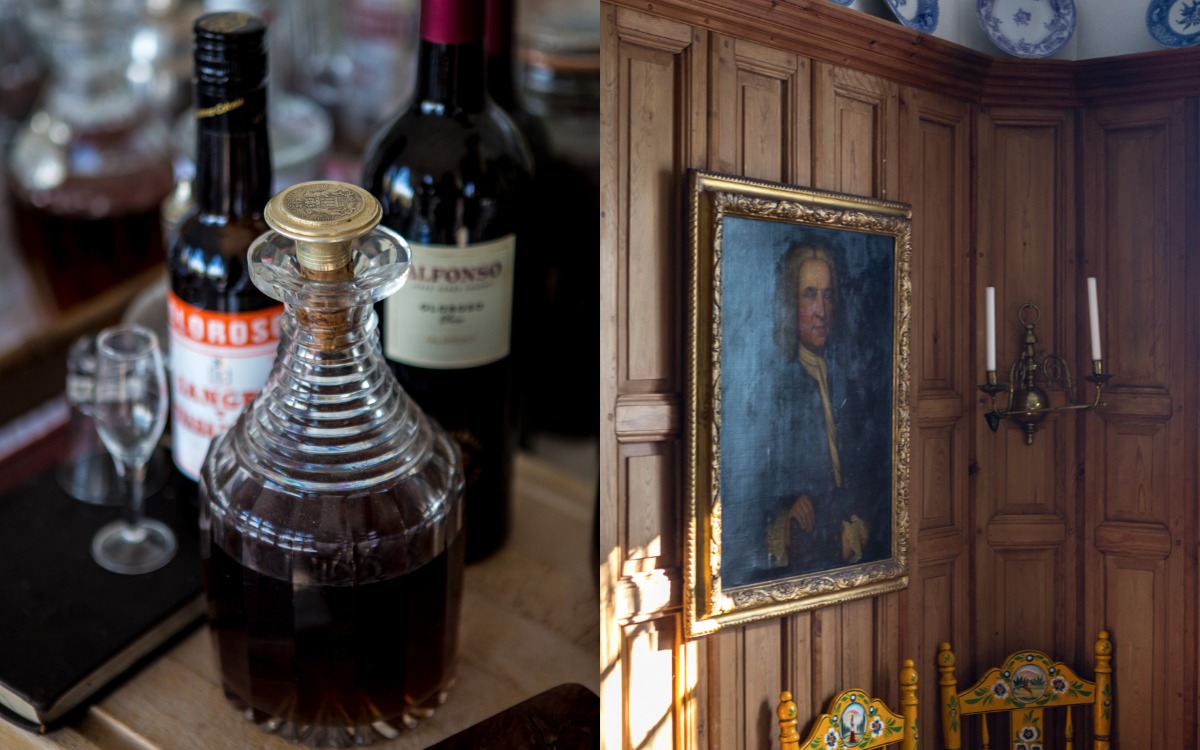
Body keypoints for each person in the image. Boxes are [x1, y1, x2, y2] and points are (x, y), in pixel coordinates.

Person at [761, 243, 888, 576]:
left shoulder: (846, 383)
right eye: (809, 295)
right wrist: (786, 510)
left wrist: (858, 522)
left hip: (846, 547)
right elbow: (760, 482)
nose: (821, 310)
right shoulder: (775, 387)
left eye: (828, 296)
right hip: (804, 554)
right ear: (790, 302)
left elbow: (866, 472)